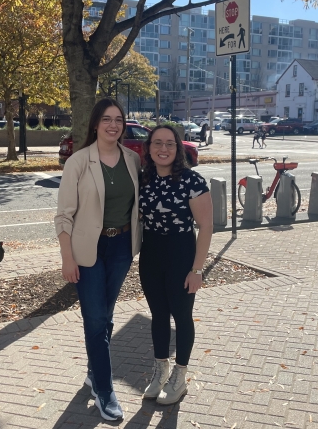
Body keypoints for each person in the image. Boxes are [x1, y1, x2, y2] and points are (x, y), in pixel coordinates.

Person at [54, 97, 141, 421]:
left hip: (121, 248)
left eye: (118, 119)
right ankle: (104, 390)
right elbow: (64, 216)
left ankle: (94, 370)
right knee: (95, 319)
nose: (113, 125)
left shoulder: (132, 159)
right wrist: (67, 259)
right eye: (107, 119)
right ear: (95, 124)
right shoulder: (78, 162)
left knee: (106, 314)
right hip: (87, 249)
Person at [138, 125, 213, 405]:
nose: (163, 148)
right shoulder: (143, 178)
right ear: (149, 148)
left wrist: (197, 270)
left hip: (181, 254)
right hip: (151, 254)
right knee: (158, 315)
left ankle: (179, 377)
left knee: (181, 316)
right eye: (157, 143)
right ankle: (161, 372)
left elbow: (206, 226)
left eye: (170, 143)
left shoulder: (192, 181)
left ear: (178, 148)